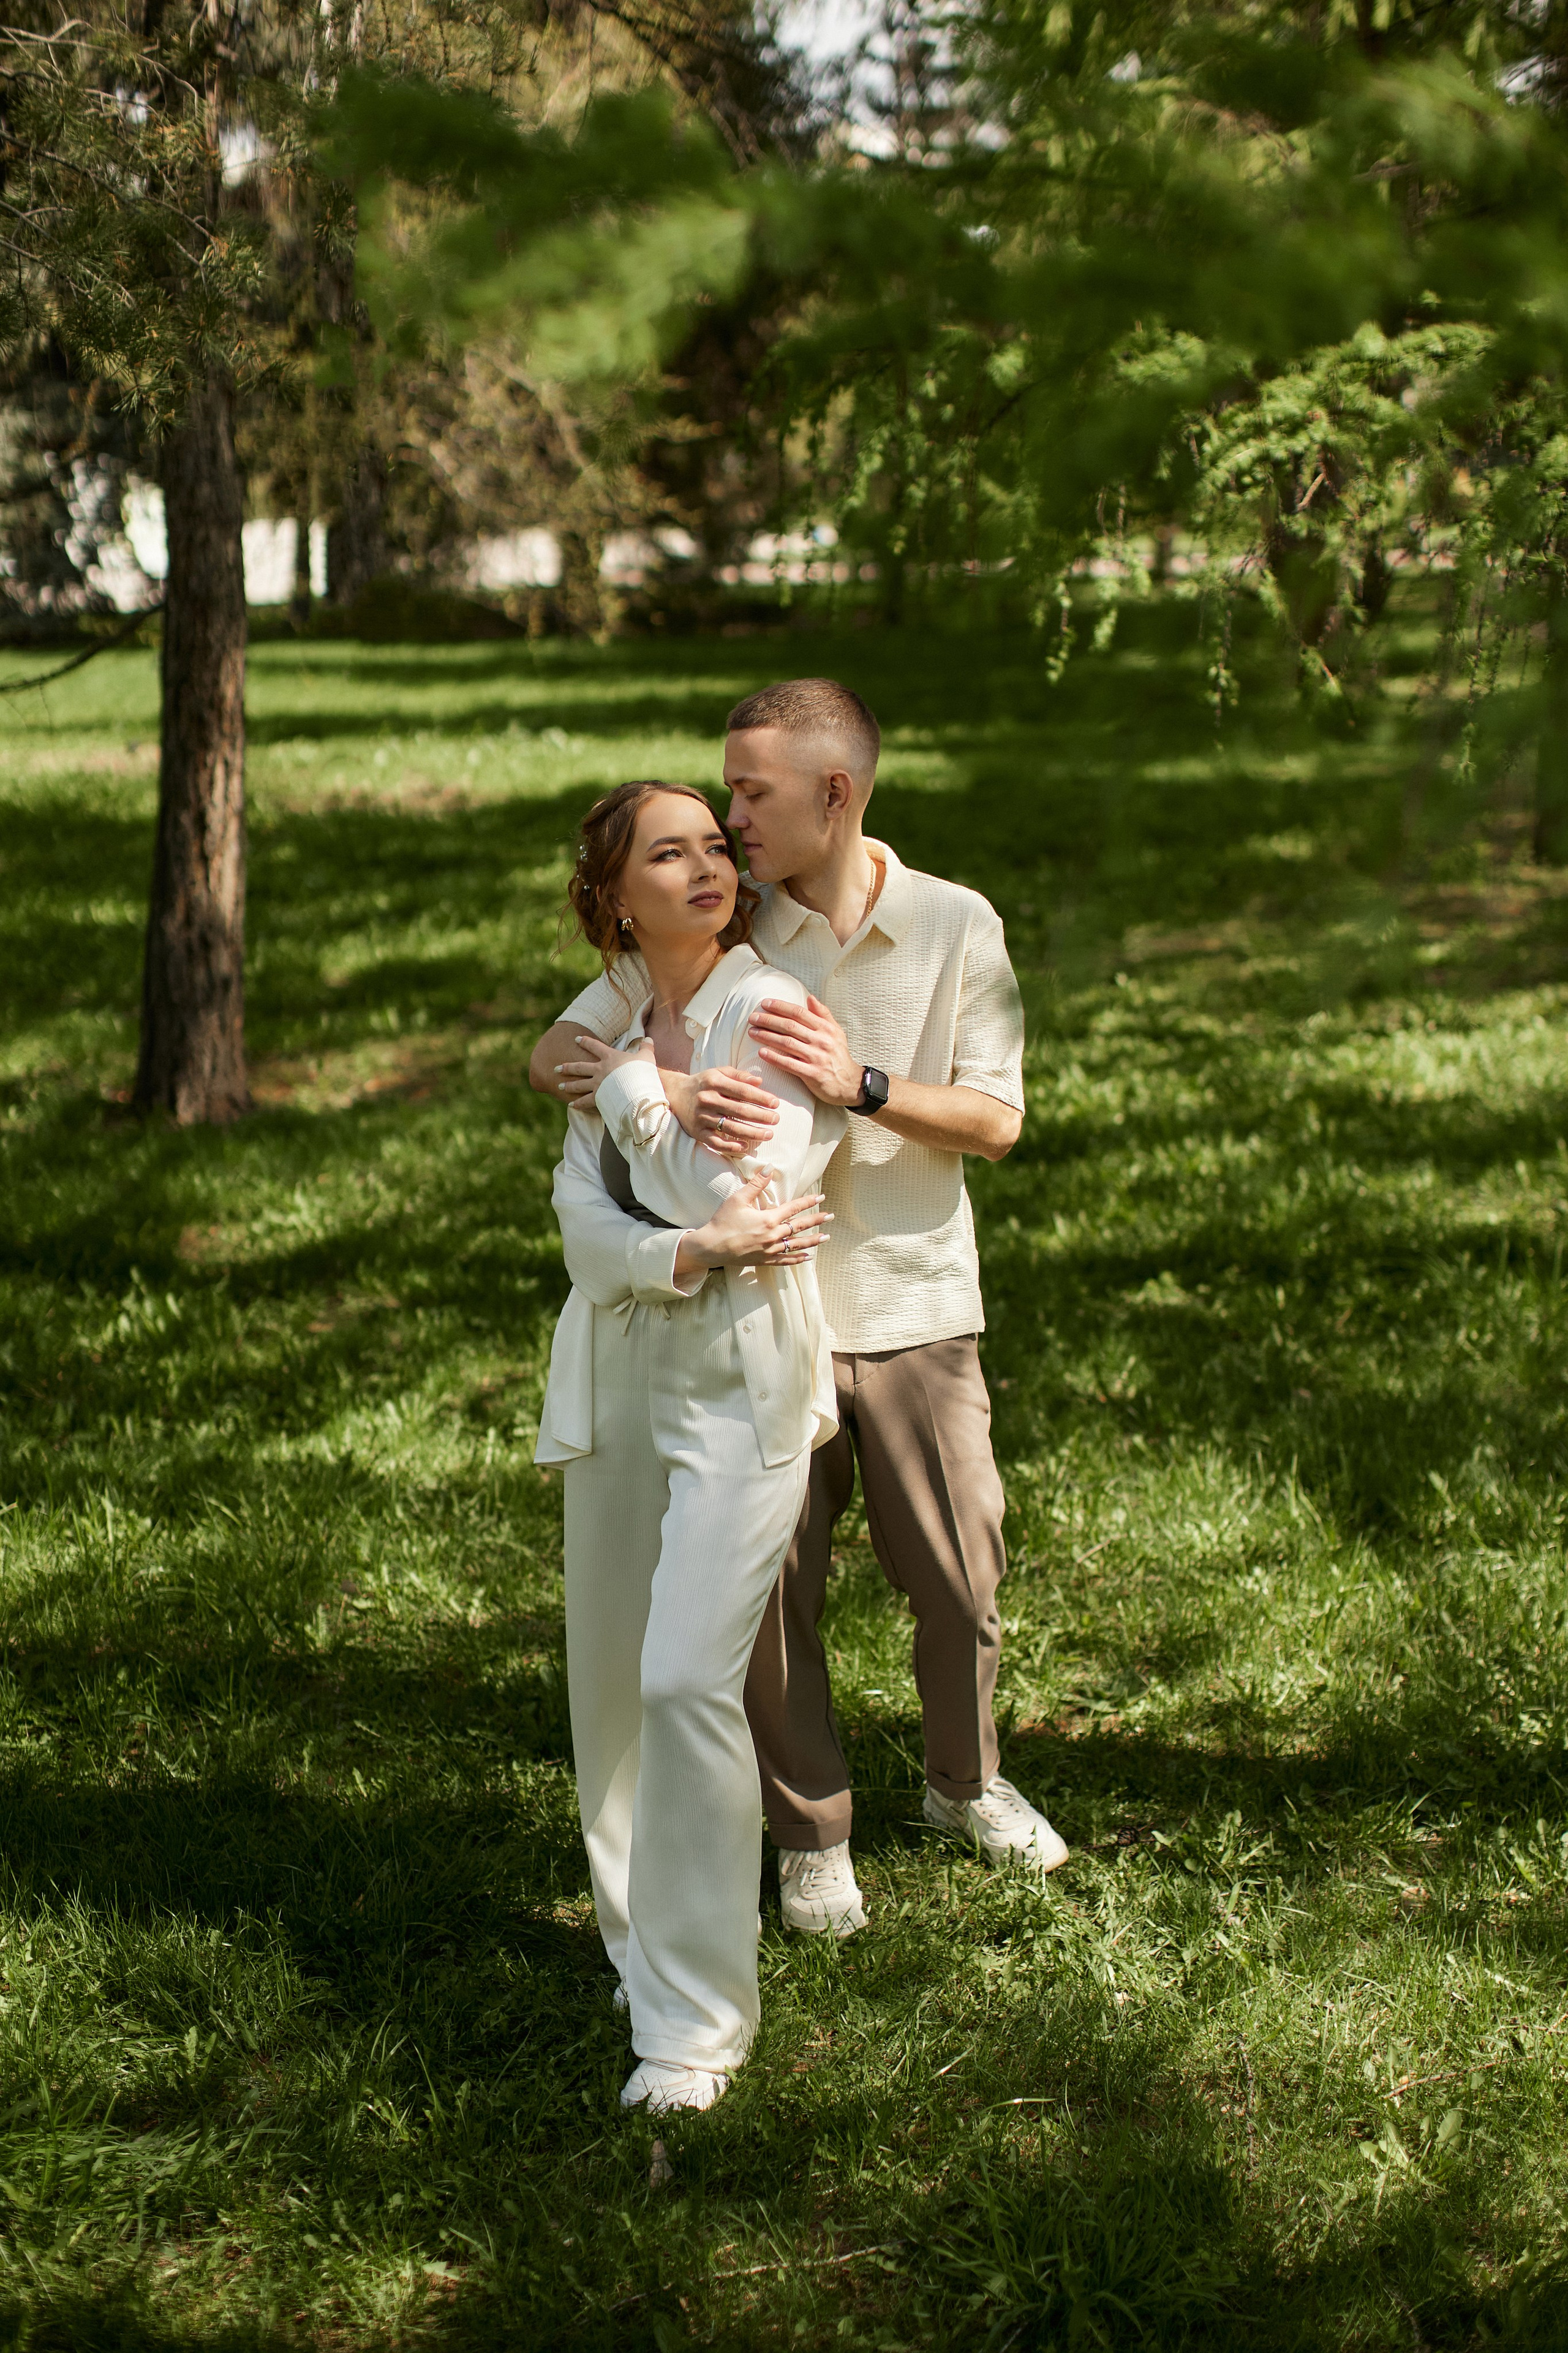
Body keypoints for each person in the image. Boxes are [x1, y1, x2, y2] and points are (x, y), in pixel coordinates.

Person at [530, 680, 1068, 1943]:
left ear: (834, 792)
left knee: (955, 1573)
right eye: (722, 799)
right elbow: (564, 1047)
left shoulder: (951, 923)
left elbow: (997, 1122)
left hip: (911, 1296)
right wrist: (637, 1075)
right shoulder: (727, 914)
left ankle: (963, 1781)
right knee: (773, 1596)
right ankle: (810, 1832)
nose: (728, 820)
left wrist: (863, 1084)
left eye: (749, 795)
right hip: (758, 1315)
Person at [535, 777, 845, 2114]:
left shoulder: (768, 1008)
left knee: (679, 1683)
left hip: (742, 1382)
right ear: (613, 896)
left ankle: (698, 2027)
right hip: (615, 1368)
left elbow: (744, 1189)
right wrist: (668, 1206)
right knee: (607, 1693)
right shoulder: (612, 1018)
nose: (709, 865)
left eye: (715, 845)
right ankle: (637, 1952)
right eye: (670, 853)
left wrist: (635, 1114)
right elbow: (581, 1218)